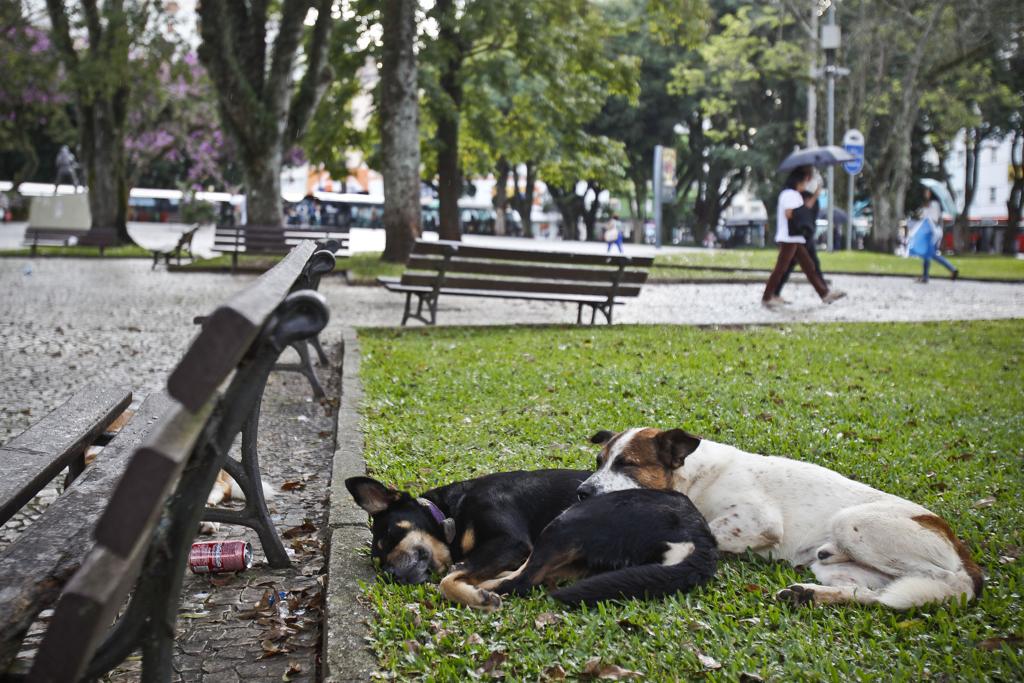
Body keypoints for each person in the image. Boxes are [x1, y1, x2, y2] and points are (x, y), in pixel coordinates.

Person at [762, 166, 845, 308]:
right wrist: (801, 213)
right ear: (799, 181)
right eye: (805, 181)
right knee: (781, 269)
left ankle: (824, 293)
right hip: (789, 238)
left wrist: (815, 195)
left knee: (809, 266)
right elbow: (789, 213)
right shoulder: (789, 194)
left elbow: (804, 208)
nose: (806, 184)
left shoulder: (795, 195)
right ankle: (767, 297)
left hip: (795, 237)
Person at [773, 188, 826, 302]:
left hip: (802, 235)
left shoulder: (804, 197)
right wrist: (814, 196)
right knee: (797, 265)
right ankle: (772, 294)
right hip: (799, 234)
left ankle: (824, 292)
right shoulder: (797, 196)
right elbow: (801, 211)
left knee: (807, 264)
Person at [909, 189, 958, 282]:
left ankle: (951, 269)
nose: (926, 193)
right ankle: (926, 276)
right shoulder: (925, 205)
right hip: (929, 230)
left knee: (931, 254)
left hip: (931, 231)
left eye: (928, 192)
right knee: (928, 254)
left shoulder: (934, 204)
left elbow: (934, 218)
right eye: (925, 192)